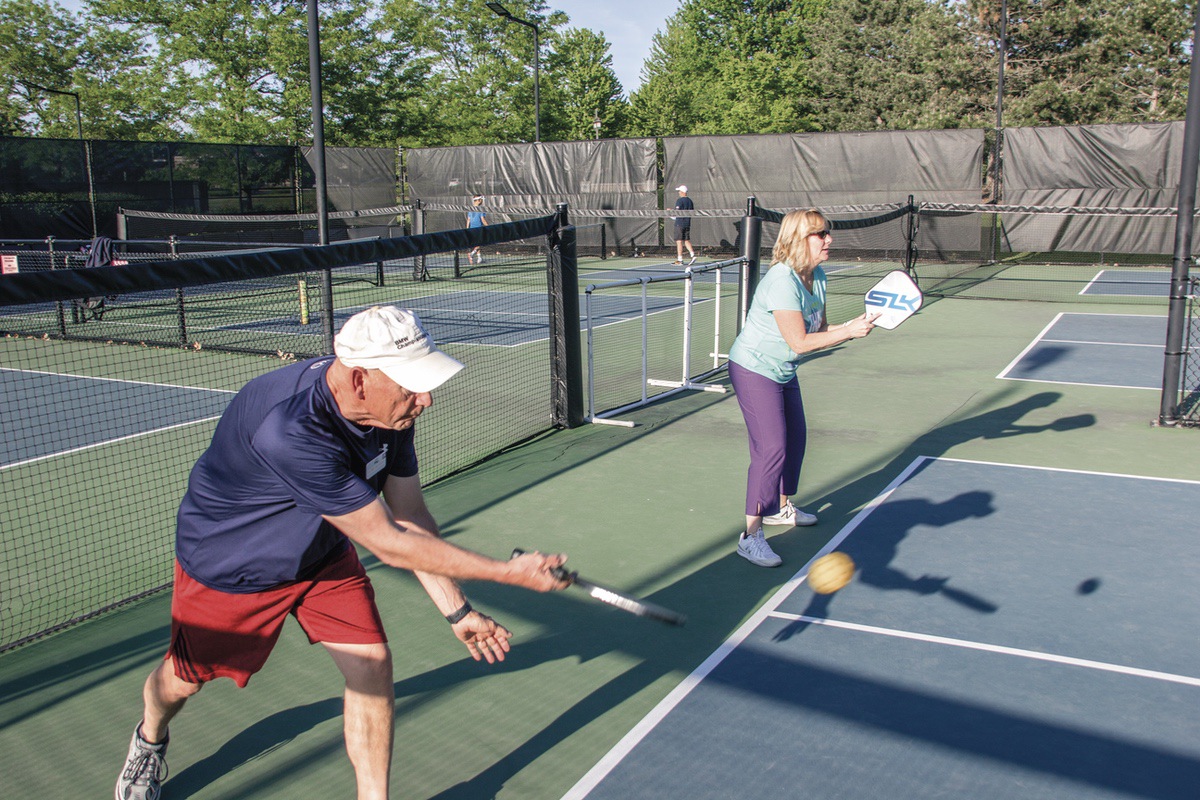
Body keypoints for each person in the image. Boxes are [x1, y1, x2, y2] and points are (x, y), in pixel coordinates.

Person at [115, 305, 570, 800]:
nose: (427, 399)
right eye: (412, 385)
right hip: (235, 566)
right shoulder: (291, 430)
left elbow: (409, 516)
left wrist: (457, 609)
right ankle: (149, 739)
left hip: (320, 550)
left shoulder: (390, 411)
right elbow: (389, 545)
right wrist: (510, 574)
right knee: (182, 682)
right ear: (359, 379)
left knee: (372, 663)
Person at [726, 210, 878, 568]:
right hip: (753, 368)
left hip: (783, 369)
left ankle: (779, 508)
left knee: (796, 439)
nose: (829, 240)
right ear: (798, 239)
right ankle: (750, 536)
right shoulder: (782, 281)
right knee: (771, 448)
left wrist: (855, 324)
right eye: (820, 234)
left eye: (828, 233)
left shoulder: (818, 276)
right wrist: (847, 333)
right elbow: (800, 341)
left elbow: (819, 328)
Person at [672, 185, 696, 266]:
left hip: (679, 224)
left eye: (679, 191)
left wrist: (669, 213)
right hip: (687, 223)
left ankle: (680, 260)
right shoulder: (690, 201)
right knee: (686, 240)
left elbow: (677, 213)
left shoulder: (680, 200)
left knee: (679, 241)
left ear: (682, 192)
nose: (678, 193)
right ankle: (693, 255)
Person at [466, 195, 488, 265]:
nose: (482, 201)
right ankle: (472, 254)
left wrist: (467, 229)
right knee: (479, 243)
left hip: (472, 229)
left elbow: (468, 220)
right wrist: (488, 227)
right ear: (478, 200)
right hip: (478, 228)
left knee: (477, 243)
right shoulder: (481, 209)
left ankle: (479, 258)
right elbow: (483, 219)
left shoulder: (470, 209)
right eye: (481, 200)